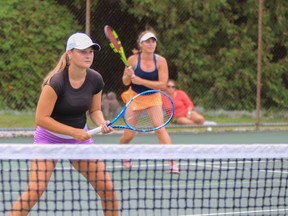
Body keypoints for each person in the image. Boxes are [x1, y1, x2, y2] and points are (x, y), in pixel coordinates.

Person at [10, 33, 119, 216]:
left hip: (79, 141)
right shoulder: (55, 83)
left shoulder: (95, 79)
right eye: (83, 51)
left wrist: (101, 122)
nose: (88, 55)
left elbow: (94, 110)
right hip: (48, 141)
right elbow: (41, 119)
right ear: (70, 53)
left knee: (108, 189)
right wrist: (73, 132)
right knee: (34, 192)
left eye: (91, 51)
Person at [120, 29, 179, 173]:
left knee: (160, 128)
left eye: (153, 41)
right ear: (141, 44)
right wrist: (128, 75)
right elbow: (125, 82)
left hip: (153, 98)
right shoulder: (132, 60)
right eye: (147, 41)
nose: (151, 44)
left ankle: (172, 162)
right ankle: (123, 153)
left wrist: (140, 80)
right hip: (135, 97)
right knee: (129, 135)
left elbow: (162, 85)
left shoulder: (161, 61)